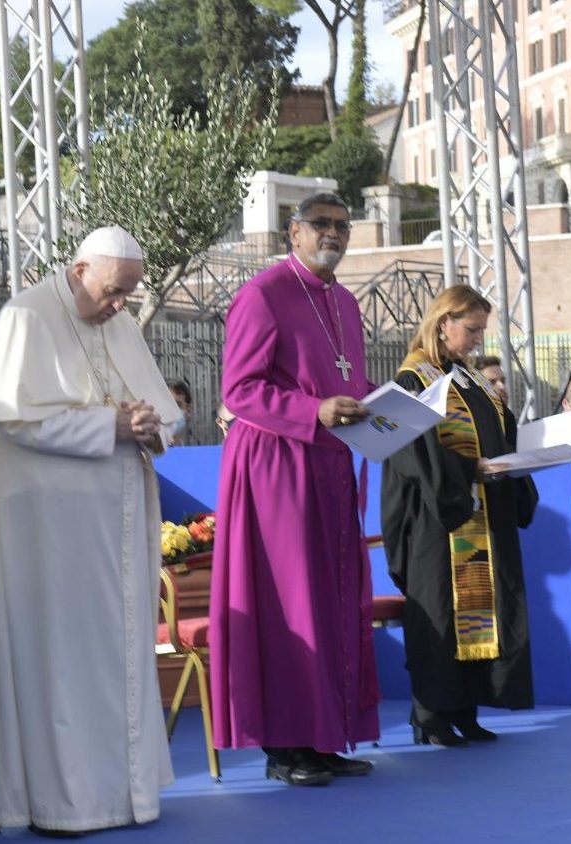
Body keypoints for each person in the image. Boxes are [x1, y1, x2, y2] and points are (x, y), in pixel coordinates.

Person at [0, 225, 180, 836]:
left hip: (115, 527)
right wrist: (110, 426)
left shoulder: (119, 323)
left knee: (116, 650)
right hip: (47, 531)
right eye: (112, 291)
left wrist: (149, 422)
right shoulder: (24, 317)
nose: (119, 306)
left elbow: (159, 411)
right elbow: (17, 425)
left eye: (127, 295)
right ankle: (64, 803)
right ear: (79, 270)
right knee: (58, 656)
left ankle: (123, 793)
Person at [210, 192, 379, 788]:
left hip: (330, 467)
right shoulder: (263, 294)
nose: (333, 233)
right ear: (294, 233)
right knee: (291, 604)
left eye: (342, 225)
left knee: (334, 601)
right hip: (276, 466)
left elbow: (346, 380)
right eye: (321, 225)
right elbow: (240, 390)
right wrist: (313, 409)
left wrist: (382, 404)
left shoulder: (346, 303)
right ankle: (286, 748)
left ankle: (326, 736)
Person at [381, 284, 538, 747]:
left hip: (481, 512)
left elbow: (500, 431)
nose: (477, 340)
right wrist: (471, 469)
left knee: (480, 616)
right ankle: (430, 715)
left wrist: (519, 458)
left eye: (481, 331)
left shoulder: (470, 379)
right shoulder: (413, 378)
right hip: (436, 519)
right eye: (471, 330)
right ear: (443, 322)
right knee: (441, 615)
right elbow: (411, 455)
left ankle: (464, 709)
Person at [167, 378, 193, 444]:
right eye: (166, 404)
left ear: (188, 411)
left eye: (177, 405)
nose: (170, 411)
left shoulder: (191, 452)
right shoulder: (141, 452)